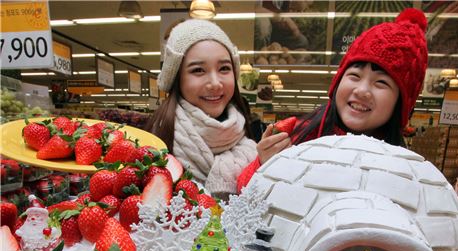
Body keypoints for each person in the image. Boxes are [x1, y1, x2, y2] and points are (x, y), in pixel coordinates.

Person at [237, 8, 428, 192]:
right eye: (354, 75)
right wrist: (262, 165)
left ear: (401, 103)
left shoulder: (406, 173)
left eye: (381, 83)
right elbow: (242, 192)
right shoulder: (298, 136)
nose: (362, 90)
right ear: (338, 82)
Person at [147, 19, 257, 200]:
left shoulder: (252, 148)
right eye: (198, 70)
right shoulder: (155, 143)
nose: (215, 83)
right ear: (177, 78)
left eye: (224, 68)